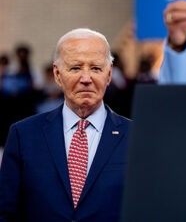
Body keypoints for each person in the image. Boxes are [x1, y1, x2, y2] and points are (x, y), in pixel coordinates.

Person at [0, 28, 131, 221]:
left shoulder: (137, 136)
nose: (86, 79)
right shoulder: (23, 135)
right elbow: (6, 213)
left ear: (109, 74)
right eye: (75, 68)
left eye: (96, 68)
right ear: (57, 74)